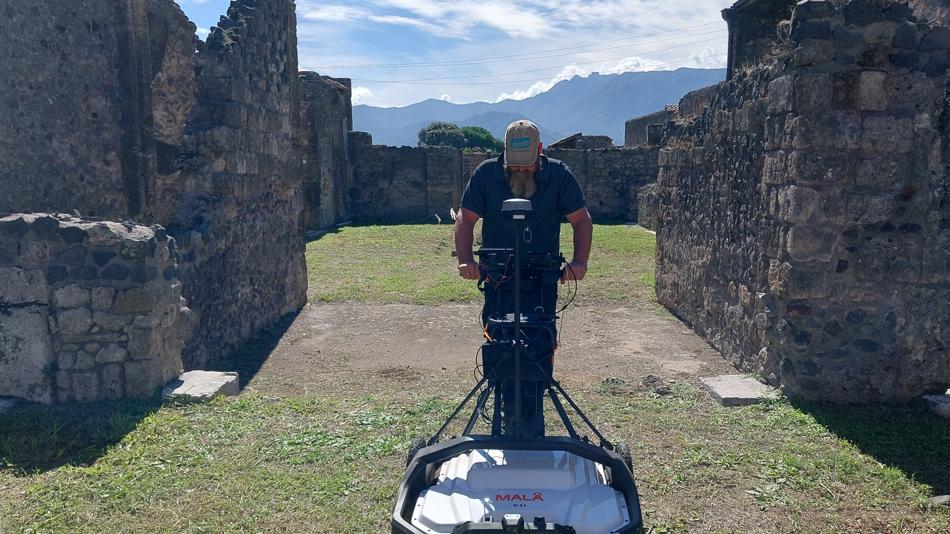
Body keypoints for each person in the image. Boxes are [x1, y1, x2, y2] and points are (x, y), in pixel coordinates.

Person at [454, 119, 593, 437]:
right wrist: (466, 261)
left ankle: (533, 413)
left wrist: (579, 262)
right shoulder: (487, 173)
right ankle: (503, 407)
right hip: (498, 279)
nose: (520, 172)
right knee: (499, 343)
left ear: (540, 152)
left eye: (527, 167)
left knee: (538, 345)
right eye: (514, 167)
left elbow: (581, 220)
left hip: (542, 279)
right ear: (504, 156)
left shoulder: (558, 175)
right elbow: (466, 218)